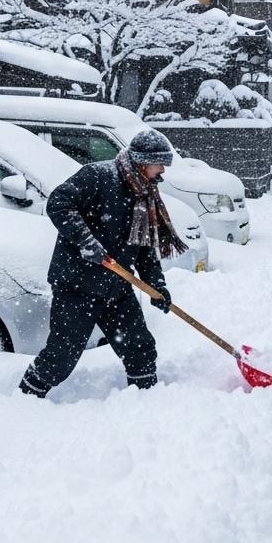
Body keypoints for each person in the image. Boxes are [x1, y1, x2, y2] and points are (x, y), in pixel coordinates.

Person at [19, 129, 188, 398]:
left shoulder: (145, 192)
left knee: (140, 347)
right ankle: (25, 398)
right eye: (160, 164)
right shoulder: (98, 176)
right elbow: (59, 203)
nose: (163, 171)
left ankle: (148, 402)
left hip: (116, 287)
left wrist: (157, 285)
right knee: (61, 356)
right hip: (77, 286)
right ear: (144, 162)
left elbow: (144, 249)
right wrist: (87, 242)